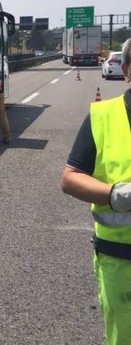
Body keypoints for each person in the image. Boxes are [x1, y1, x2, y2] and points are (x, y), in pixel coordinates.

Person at [60, 37, 131, 344]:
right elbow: (70, 178)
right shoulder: (103, 116)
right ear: (127, 71)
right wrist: (115, 194)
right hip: (122, 261)